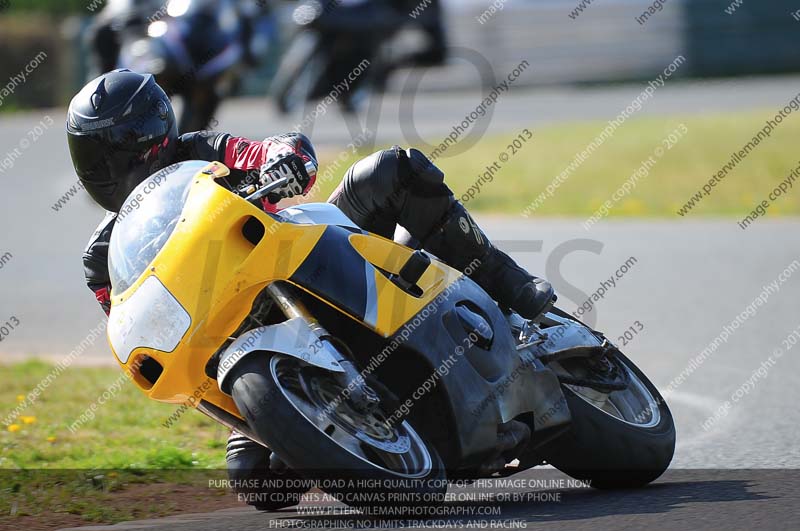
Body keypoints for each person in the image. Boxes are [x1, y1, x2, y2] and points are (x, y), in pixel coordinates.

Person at [68, 69, 554, 505]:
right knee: (258, 482)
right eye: (91, 155)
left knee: (392, 170)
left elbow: (274, 149)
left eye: (113, 150)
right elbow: (128, 319)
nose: (104, 169)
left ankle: (503, 279)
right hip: (236, 345)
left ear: (150, 134)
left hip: (314, 252)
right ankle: (356, 428)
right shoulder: (103, 254)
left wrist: (285, 163)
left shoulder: (204, 152)